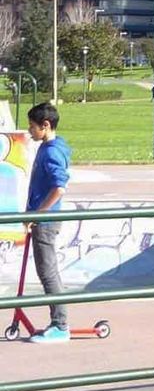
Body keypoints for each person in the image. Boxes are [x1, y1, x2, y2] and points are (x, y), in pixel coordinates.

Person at [24, 101, 71, 343]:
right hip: (42, 218)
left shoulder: (52, 150)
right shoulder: (51, 145)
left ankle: (60, 325)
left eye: (32, 126)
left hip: (46, 221)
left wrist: (38, 213)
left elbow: (59, 187)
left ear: (45, 125)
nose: (29, 130)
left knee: (48, 272)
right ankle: (58, 322)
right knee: (46, 271)